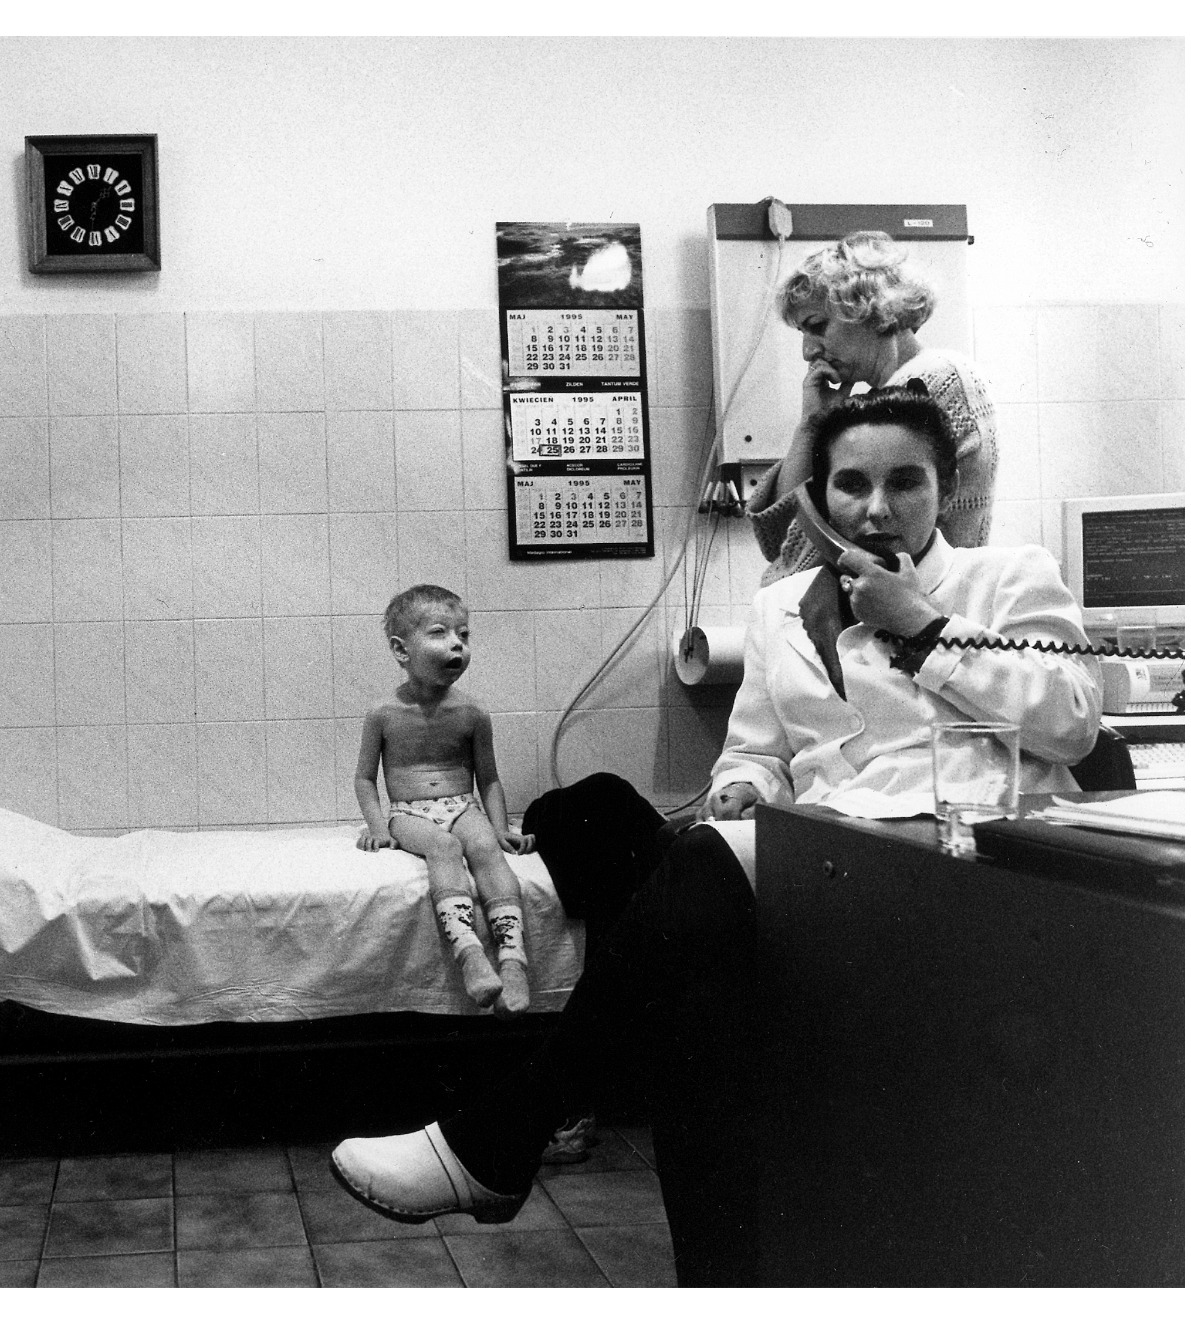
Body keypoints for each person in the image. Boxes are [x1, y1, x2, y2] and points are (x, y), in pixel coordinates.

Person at [328, 390, 1100, 1285]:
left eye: (905, 483)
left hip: (960, 870)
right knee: (687, 990)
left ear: (945, 486)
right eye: (851, 484)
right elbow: (759, 752)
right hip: (824, 870)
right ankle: (693, 1265)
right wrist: (742, 786)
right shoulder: (780, 609)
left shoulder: (1007, 577)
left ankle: (502, 1135)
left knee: (689, 931)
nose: (877, 508)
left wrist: (922, 625)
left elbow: (1074, 722)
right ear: (817, 493)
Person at [748, 230, 999, 584]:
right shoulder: (905, 389)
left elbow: (792, 560)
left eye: (817, 327)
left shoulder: (931, 380)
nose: (808, 352)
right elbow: (780, 540)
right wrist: (811, 424)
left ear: (868, 307)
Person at [355, 585, 538, 1016]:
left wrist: (500, 828)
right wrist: (379, 827)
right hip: (408, 813)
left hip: (463, 806)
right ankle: (470, 955)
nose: (457, 643)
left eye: (464, 634)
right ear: (401, 650)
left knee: (485, 848)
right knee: (443, 847)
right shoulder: (383, 713)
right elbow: (364, 778)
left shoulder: (473, 712)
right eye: (440, 633)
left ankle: (513, 962)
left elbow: (488, 779)